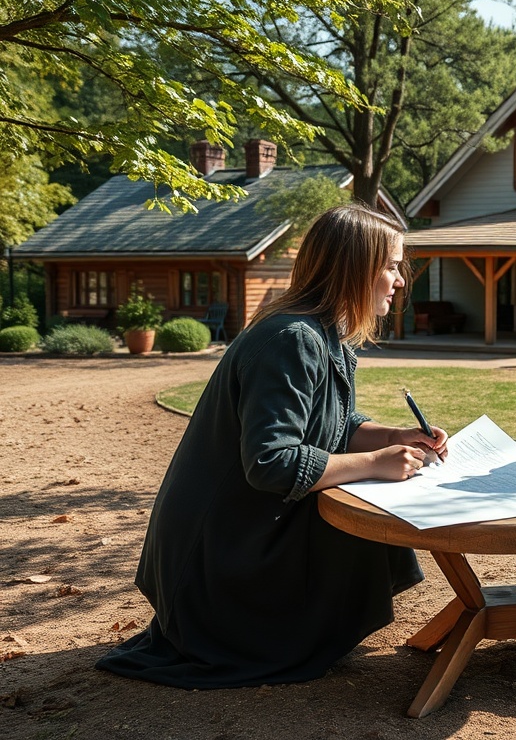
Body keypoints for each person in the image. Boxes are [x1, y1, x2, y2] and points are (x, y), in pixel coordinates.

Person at [97, 204, 448, 688]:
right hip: (218, 559)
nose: (400, 280)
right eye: (391, 266)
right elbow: (271, 462)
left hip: (241, 530)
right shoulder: (292, 339)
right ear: (355, 268)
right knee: (359, 501)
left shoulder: (323, 335)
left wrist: (391, 437)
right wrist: (374, 463)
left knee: (359, 494)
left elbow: (334, 423)